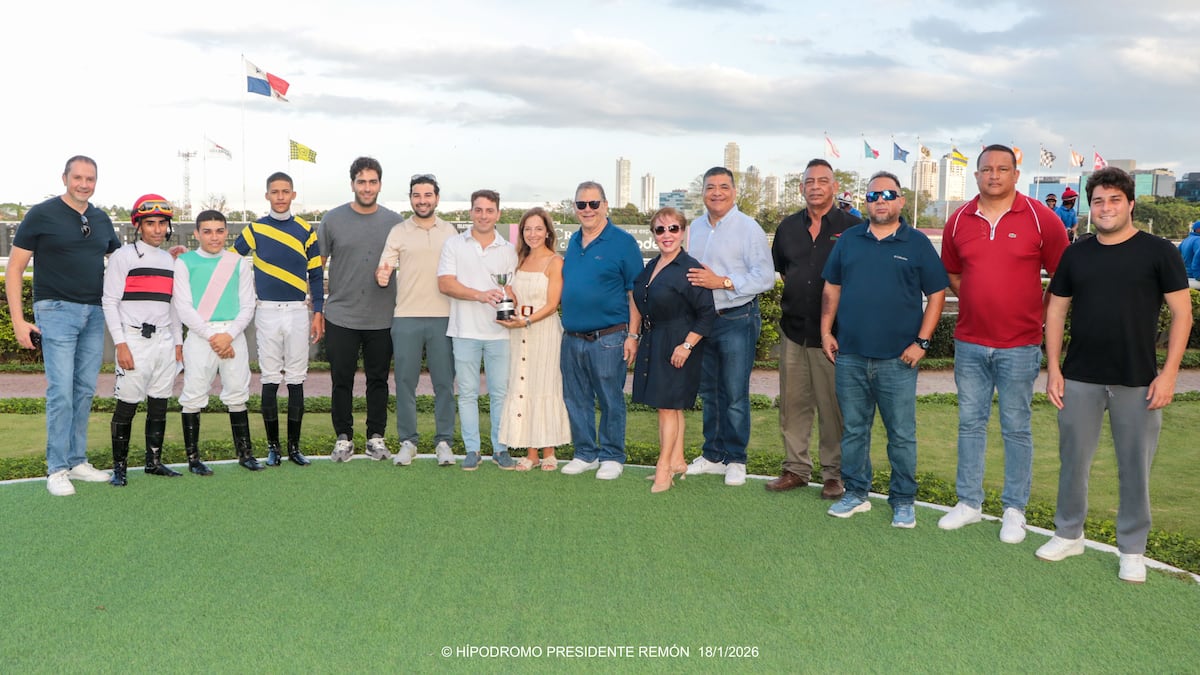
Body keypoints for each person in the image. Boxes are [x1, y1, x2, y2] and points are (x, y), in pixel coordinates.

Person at [1037, 167, 1191, 584]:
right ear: (1091, 207)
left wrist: (1169, 374)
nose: (1106, 208)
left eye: (1114, 200)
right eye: (1099, 201)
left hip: (1138, 379)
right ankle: (1069, 532)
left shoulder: (1160, 252)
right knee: (1073, 461)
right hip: (1080, 377)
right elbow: (1055, 310)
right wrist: (1054, 368)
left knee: (1134, 466)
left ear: (1130, 204)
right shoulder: (1077, 253)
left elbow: (1182, 313)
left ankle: (1133, 548)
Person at [937, 144, 1069, 543]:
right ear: (976, 175)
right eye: (986, 169)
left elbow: (1061, 280)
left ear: (1015, 174)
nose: (994, 175)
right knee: (970, 424)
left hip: (1020, 345)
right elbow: (953, 274)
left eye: (1002, 169)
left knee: (1016, 428)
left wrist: (1038, 315)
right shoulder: (958, 219)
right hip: (971, 342)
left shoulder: (1041, 218)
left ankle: (1015, 509)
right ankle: (969, 503)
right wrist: (981, 298)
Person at [820, 171, 948, 528]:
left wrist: (922, 342)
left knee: (901, 435)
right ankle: (856, 493)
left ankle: (904, 499)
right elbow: (832, 288)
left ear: (901, 201)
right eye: (874, 195)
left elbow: (937, 295)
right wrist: (825, 331)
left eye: (888, 195)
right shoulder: (848, 240)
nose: (881, 201)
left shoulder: (917, 242)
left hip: (898, 360)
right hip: (851, 356)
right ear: (866, 202)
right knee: (855, 431)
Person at [7, 155, 121, 495]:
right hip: (55, 310)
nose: (84, 184)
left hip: (93, 312)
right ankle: (56, 469)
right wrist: (18, 320)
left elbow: (121, 261)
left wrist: (165, 255)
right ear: (65, 178)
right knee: (61, 392)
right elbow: (14, 269)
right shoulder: (41, 214)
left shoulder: (101, 220)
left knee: (84, 390)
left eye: (90, 178)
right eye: (78, 177)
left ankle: (76, 460)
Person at [768, 158, 859, 499]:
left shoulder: (852, 228)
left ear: (835, 186)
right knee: (793, 406)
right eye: (810, 181)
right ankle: (795, 469)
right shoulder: (788, 228)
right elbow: (783, 273)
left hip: (834, 337)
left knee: (832, 408)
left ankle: (833, 474)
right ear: (802, 187)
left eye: (823, 180)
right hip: (793, 332)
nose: (816, 186)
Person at [683, 167, 775, 487]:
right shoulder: (693, 228)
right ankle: (712, 454)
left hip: (737, 318)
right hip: (704, 322)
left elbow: (765, 278)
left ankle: (736, 458)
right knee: (709, 392)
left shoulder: (749, 229)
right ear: (703, 192)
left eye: (724, 187)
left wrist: (721, 282)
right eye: (711, 187)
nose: (717, 192)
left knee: (734, 392)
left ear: (734, 192)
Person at [233, 172, 324, 467]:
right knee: (270, 379)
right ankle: (274, 448)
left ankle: (294, 447)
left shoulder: (306, 230)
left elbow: (315, 275)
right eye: (275, 191)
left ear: (293, 195)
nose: (281, 196)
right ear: (267, 195)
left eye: (286, 191)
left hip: (298, 311)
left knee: (296, 380)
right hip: (267, 311)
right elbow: (229, 260)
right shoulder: (255, 228)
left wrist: (318, 313)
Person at [558, 181, 643, 480]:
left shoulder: (623, 242)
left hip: (610, 336)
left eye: (594, 204)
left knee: (610, 398)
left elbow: (636, 294)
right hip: (572, 338)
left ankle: (612, 455)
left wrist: (633, 336)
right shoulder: (572, 241)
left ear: (605, 206)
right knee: (575, 398)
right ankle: (585, 453)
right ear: (575, 208)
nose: (588, 210)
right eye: (582, 204)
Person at [319, 157, 400, 462]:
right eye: (361, 182)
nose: (367, 188)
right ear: (352, 183)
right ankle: (343, 437)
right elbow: (317, 265)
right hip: (342, 315)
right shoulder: (332, 219)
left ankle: (375, 437)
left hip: (382, 316)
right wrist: (316, 308)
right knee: (342, 380)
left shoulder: (395, 221)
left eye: (373, 182)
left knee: (378, 380)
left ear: (380, 184)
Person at [102, 195, 187, 485]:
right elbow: (110, 301)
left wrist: (178, 343)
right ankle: (120, 468)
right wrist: (120, 343)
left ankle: (153, 462)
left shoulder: (170, 261)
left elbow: (173, 306)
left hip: (164, 341)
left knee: (159, 403)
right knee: (126, 405)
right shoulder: (123, 256)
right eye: (150, 223)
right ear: (138, 225)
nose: (157, 229)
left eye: (162, 223)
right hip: (134, 340)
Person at [629, 208, 715, 493]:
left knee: (667, 406)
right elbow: (636, 298)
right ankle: (677, 460)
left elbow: (707, 314)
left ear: (683, 232)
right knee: (669, 405)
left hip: (680, 342)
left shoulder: (691, 269)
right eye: (660, 230)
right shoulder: (651, 266)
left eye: (673, 229)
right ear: (653, 234)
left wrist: (687, 345)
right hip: (656, 339)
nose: (667, 235)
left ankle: (663, 468)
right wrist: (633, 334)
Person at [375, 173, 458, 467]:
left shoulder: (451, 232)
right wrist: (382, 274)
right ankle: (408, 442)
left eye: (427, 195)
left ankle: (444, 442)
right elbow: (385, 266)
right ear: (411, 198)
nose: (422, 200)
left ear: (437, 197)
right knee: (405, 383)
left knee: (445, 384)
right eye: (417, 195)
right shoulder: (399, 231)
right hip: (406, 317)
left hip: (444, 318)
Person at [173, 210, 262, 471]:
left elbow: (248, 305)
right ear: (197, 234)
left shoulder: (238, 263)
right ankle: (193, 460)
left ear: (226, 232)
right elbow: (183, 307)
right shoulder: (184, 262)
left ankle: (245, 455)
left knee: (237, 393)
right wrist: (215, 337)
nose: (214, 237)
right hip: (203, 336)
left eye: (220, 231)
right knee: (193, 395)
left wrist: (229, 335)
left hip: (232, 335)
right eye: (208, 231)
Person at [437, 189, 519, 470]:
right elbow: (445, 283)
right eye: (478, 210)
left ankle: (500, 448)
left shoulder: (508, 250)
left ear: (498, 214)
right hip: (464, 331)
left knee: (500, 393)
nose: (483, 215)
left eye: (489, 210)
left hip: (499, 332)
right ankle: (472, 449)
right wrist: (481, 295)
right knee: (468, 393)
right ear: (471, 212)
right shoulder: (454, 245)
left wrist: (509, 303)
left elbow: (510, 288)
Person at [496, 207, 572, 471]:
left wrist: (526, 320)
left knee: (545, 385)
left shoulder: (556, 262)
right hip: (519, 332)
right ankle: (531, 453)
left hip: (544, 331)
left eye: (538, 228)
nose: (533, 234)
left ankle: (549, 451)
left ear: (548, 231)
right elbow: (515, 295)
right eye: (528, 229)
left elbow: (552, 304)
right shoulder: (518, 260)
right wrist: (508, 301)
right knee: (523, 384)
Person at [1176, 220, 1200, 290]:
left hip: (1185, 277)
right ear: (1198, 229)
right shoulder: (1198, 240)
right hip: (1196, 277)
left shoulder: (1185, 240)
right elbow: (1197, 260)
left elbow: (1175, 256)